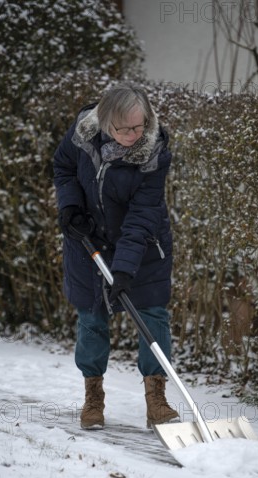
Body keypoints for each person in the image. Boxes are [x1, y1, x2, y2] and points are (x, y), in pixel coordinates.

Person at [53, 82, 179, 429]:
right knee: (92, 320)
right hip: (87, 241)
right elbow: (63, 168)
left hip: (143, 246)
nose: (132, 135)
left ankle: (157, 399)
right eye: (124, 129)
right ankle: (93, 397)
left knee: (153, 316)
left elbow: (141, 216)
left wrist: (124, 269)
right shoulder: (83, 134)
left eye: (138, 127)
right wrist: (70, 207)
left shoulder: (154, 152)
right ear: (106, 123)